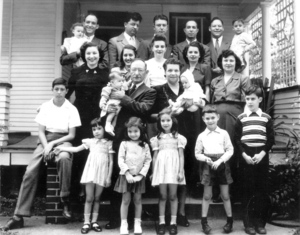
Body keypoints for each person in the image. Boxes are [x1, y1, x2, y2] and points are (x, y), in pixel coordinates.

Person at [2, 78, 81, 231]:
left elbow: (71, 135)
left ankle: (65, 199)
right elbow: (40, 131)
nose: (59, 92)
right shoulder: (45, 107)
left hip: (64, 140)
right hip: (44, 140)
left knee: (64, 158)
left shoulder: (71, 109)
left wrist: (52, 145)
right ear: (52, 90)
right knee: (30, 171)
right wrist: (46, 146)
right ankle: (19, 216)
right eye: (56, 89)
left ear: (66, 91)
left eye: (62, 89)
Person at [150, 58, 205, 227]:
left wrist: (194, 103)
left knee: (183, 174)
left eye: (176, 71)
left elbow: (203, 103)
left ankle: (180, 213)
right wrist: (163, 113)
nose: (173, 73)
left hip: (186, 136)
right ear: (164, 72)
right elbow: (150, 114)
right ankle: (164, 215)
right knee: (165, 175)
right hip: (166, 139)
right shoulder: (158, 90)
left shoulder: (187, 86)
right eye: (170, 70)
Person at [104, 58, 156, 230]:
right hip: (119, 137)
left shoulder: (149, 91)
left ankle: (134, 220)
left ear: (146, 73)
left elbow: (143, 109)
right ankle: (116, 218)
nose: (136, 73)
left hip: (137, 140)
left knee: (135, 177)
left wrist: (124, 98)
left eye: (140, 70)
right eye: (134, 69)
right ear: (129, 71)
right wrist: (109, 110)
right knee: (118, 177)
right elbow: (109, 105)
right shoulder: (120, 86)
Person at [66, 42, 109, 203]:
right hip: (81, 117)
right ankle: (78, 193)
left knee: (98, 153)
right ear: (84, 55)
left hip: (98, 119)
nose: (92, 56)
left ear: (99, 55)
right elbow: (66, 93)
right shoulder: (76, 71)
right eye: (89, 53)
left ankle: (99, 193)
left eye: (95, 53)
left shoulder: (106, 73)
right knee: (81, 154)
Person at [54, 118, 113, 234]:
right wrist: (61, 148)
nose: (96, 131)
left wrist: (109, 177)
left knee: (97, 198)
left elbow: (111, 162)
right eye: (94, 129)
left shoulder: (109, 143)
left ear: (104, 129)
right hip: (91, 172)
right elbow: (76, 149)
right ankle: (86, 222)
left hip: (102, 173)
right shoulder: (90, 142)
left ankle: (94, 221)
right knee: (89, 198)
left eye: (99, 129)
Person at [210, 49, 251, 203]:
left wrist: (244, 120)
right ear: (221, 63)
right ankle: (217, 191)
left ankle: (232, 192)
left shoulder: (243, 79)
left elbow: (249, 101)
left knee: (232, 151)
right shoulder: (215, 81)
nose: (228, 63)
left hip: (235, 118)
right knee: (216, 151)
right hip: (217, 119)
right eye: (225, 60)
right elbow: (211, 102)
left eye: (231, 60)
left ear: (236, 63)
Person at [234, 85, 274, 235]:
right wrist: (244, 155)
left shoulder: (266, 118)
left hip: (261, 155)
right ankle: (248, 223)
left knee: (261, 190)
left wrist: (262, 154)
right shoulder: (241, 118)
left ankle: (260, 223)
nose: (249, 102)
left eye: (253, 99)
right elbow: (237, 140)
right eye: (247, 99)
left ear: (260, 100)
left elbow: (270, 140)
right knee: (247, 190)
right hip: (246, 154)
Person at [195, 104, 234, 234]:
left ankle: (229, 221)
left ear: (217, 117)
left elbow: (230, 150)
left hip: (222, 164)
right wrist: (205, 159)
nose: (210, 120)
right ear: (203, 119)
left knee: (225, 195)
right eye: (207, 118)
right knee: (207, 195)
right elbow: (197, 153)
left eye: (212, 117)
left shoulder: (224, 133)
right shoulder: (201, 136)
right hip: (208, 165)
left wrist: (220, 160)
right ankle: (204, 222)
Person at [151, 108, 186, 235]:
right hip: (161, 169)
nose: (165, 123)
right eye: (163, 121)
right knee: (162, 196)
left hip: (173, 169)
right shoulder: (157, 139)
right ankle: (161, 222)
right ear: (159, 122)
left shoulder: (178, 137)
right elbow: (155, 156)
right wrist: (154, 172)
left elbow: (181, 155)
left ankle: (173, 222)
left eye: (168, 120)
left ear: (173, 121)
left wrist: (181, 171)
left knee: (172, 195)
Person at [114, 117, 152, 235]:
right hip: (126, 176)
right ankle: (124, 224)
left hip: (139, 177)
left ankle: (137, 223)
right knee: (125, 200)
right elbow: (120, 159)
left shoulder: (144, 145)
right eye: (130, 131)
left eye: (136, 131)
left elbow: (148, 160)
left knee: (137, 199)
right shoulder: (124, 144)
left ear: (141, 131)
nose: (133, 134)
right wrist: (127, 173)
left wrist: (141, 175)